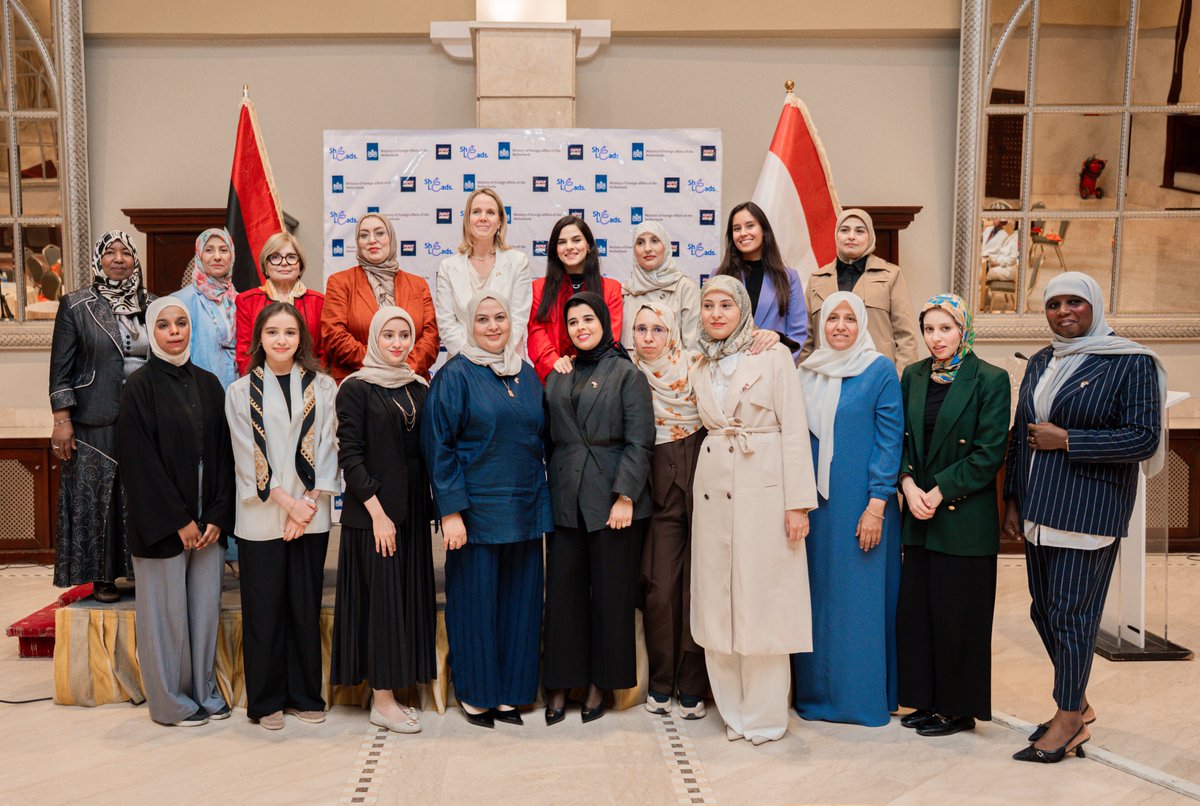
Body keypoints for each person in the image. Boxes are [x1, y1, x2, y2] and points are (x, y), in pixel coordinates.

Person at [1003, 272, 1164, 764]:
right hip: (1038, 508)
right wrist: (1012, 500)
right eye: (1054, 304)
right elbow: (1020, 433)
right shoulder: (1042, 359)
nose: (1064, 312)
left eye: (1075, 302)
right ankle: (1079, 703)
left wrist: (1069, 439)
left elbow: (1143, 438)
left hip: (1089, 508)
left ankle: (1069, 719)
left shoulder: (1131, 361)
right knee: (1043, 611)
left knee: (1073, 615)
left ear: (1094, 305)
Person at [689, 275, 817, 745]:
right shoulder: (698, 361)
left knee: (762, 603)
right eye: (709, 305)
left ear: (743, 309)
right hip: (713, 488)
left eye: (726, 305)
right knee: (718, 605)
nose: (716, 314)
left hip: (763, 488)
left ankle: (764, 717)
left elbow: (794, 429)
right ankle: (733, 712)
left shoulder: (773, 354)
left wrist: (798, 504)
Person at [422, 292, 552, 729]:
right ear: (468, 324)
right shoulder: (454, 375)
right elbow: (438, 448)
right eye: (482, 319)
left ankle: (511, 693)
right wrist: (451, 512)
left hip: (525, 510)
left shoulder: (527, 375)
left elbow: (541, 440)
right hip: (474, 514)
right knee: (475, 606)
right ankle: (477, 695)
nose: (493, 326)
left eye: (500, 317)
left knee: (521, 606)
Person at [896, 293, 1010, 738]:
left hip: (963, 517)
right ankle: (926, 700)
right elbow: (901, 439)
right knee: (920, 614)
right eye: (929, 329)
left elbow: (988, 453)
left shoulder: (990, 378)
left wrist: (939, 490)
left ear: (963, 330)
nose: (936, 338)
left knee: (958, 618)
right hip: (918, 513)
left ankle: (957, 709)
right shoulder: (913, 375)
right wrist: (908, 485)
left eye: (945, 328)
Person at [117, 297, 234, 727]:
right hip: (163, 521)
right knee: (165, 617)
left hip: (208, 521)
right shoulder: (139, 386)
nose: (174, 332)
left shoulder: (209, 384)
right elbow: (139, 462)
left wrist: (217, 516)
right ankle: (170, 702)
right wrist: (179, 521)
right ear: (152, 332)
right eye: (164, 325)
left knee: (203, 613)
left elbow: (226, 456)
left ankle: (202, 691)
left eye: (181, 323)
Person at [226, 302, 339, 731]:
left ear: (301, 338)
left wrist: (305, 505)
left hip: (310, 514)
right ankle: (266, 700)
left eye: (290, 332)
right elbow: (247, 456)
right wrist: (288, 504)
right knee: (264, 609)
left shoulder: (324, 386)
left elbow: (328, 445)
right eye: (272, 332)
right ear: (259, 337)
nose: (281, 340)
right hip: (262, 516)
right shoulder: (240, 391)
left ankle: (305, 694)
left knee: (304, 607)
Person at [542, 292, 654, 725]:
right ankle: (560, 682)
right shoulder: (559, 374)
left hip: (612, 502)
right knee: (564, 596)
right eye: (573, 322)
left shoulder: (627, 374)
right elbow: (548, 438)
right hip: (565, 498)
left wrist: (625, 495)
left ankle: (599, 683)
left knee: (610, 596)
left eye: (588, 319)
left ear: (605, 322)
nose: (581, 328)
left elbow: (640, 440)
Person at [792, 291, 903, 727]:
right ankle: (816, 695)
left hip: (861, 505)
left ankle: (860, 700)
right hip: (814, 509)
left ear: (862, 324)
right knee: (817, 599)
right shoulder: (805, 371)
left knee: (858, 602)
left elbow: (889, 441)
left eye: (849, 319)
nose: (840, 326)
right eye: (832, 318)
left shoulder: (879, 370)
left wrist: (876, 504)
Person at [332, 306, 437, 735]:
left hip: (412, 511)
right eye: (388, 335)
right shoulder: (355, 388)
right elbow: (350, 456)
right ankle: (382, 701)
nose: (397, 343)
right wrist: (378, 514)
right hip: (374, 514)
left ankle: (396, 689)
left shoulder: (419, 386)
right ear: (374, 338)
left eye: (404, 335)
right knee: (382, 606)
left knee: (404, 601)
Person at [49, 230, 156, 601]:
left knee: (141, 492)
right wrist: (62, 420)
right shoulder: (76, 305)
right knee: (99, 496)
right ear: (99, 259)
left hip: (145, 415)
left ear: (135, 259)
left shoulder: (153, 303)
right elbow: (60, 368)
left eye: (126, 252)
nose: (118, 259)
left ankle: (139, 569)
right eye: (110, 252)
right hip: (94, 417)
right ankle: (102, 577)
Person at [628, 304, 710, 719]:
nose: (648, 337)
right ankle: (661, 682)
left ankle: (693, 684)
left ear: (673, 331)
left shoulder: (699, 366)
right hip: (657, 494)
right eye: (640, 328)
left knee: (699, 587)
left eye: (658, 329)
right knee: (661, 590)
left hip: (706, 486)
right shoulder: (628, 373)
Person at [322, 214, 439, 382]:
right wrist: (378, 365)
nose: (372, 240)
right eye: (364, 235)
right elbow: (334, 337)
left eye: (379, 233)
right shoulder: (340, 282)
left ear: (391, 237)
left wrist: (404, 368)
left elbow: (430, 338)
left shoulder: (418, 285)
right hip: (359, 384)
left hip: (410, 381)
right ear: (358, 243)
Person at [798, 209, 918, 368]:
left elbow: (905, 337)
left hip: (875, 374)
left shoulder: (891, 275)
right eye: (844, 230)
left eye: (859, 231)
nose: (851, 236)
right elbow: (806, 340)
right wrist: (805, 376)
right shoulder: (816, 280)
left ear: (870, 237)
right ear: (836, 235)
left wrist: (898, 379)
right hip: (826, 374)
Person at [434, 188, 532, 358]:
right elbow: (446, 324)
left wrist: (494, 357)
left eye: (491, 212)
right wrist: (473, 360)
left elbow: (518, 320)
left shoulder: (518, 262)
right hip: (462, 362)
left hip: (507, 360)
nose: (483, 218)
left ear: (500, 221)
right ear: (468, 220)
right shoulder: (448, 267)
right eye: (476, 212)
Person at [528, 215, 624, 382]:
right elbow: (537, 334)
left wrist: (587, 368)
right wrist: (556, 365)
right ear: (555, 249)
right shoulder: (539, 288)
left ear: (588, 246)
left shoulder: (611, 289)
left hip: (597, 378)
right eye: (562, 242)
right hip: (553, 377)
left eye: (576, 240)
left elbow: (611, 337)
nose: (569, 247)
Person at [714, 201, 807, 360]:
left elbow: (798, 335)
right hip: (728, 367)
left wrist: (779, 361)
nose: (743, 233)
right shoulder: (718, 275)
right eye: (737, 228)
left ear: (764, 230)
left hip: (773, 366)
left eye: (750, 226)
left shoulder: (789, 277)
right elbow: (709, 329)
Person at [234, 232, 325, 376]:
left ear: (300, 264)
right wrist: (260, 382)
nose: (284, 263)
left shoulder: (319, 302)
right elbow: (245, 352)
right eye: (275, 257)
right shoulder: (246, 301)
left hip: (310, 381)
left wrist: (310, 381)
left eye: (291, 257)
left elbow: (324, 352)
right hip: (260, 382)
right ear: (265, 265)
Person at [621, 221, 701, 350]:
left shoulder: (685, 288)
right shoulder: (624, 291)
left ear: (666, 246)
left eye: (654, 241)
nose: (647, 248)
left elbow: (693, 351)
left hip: (674, 363)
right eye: (640, 242)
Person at [176, 228, 238, 389]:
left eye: (223, 250)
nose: (217, 256)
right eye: (209, 250)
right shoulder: (181, 301)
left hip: (238, 389)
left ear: (232, 255)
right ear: (199, 255)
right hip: (199, 389)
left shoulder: (238, 299)